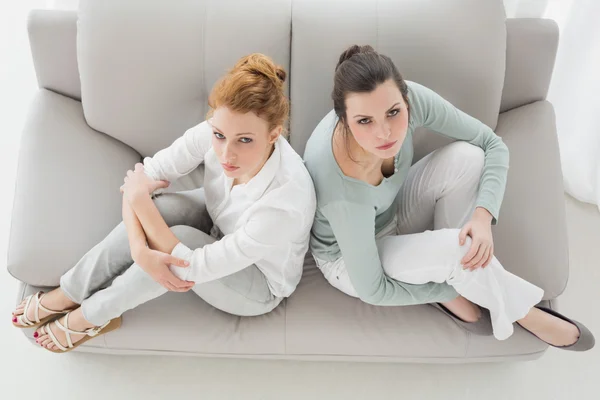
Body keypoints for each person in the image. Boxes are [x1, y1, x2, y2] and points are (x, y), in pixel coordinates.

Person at [12, 53, 317, 353]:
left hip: (258, 282)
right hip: (219, 224)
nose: (226, 154)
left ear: (274, 134)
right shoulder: (219, 130)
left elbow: (191, 266)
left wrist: (140, 207)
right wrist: (139, 250)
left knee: (175, 238)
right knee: (160, 209)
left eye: (245, 140)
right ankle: (70, 291)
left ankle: (91, 316)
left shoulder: (284, 204)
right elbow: (142, 179)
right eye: (220, 136)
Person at [303, 44, 594, 350]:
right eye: (365, 121)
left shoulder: (412, 100)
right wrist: (445, 291)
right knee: (457, 253)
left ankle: (460, 268)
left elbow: (491, 144)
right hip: (350, 260)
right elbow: (372, 290)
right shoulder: (339, 185)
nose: (385, 133)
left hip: (392, 210)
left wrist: (483, 218)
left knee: (469, 157)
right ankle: (525, 313)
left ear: (404, 99)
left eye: (393, 112)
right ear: (344, 120)